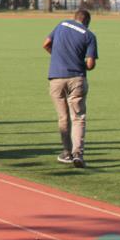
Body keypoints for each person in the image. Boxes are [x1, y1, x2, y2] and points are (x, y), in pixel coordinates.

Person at [43, 9, 98, 168]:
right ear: (87, 21)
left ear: (75, 18)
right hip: (76, 78)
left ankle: (66, 152)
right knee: (78, 117)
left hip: (56, 77)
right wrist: (79, 63)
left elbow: (46, 44)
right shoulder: (89, 35)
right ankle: (78, 154)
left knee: (63, 117)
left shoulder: (62, 24)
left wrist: (58, 57)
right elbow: (90, 64)